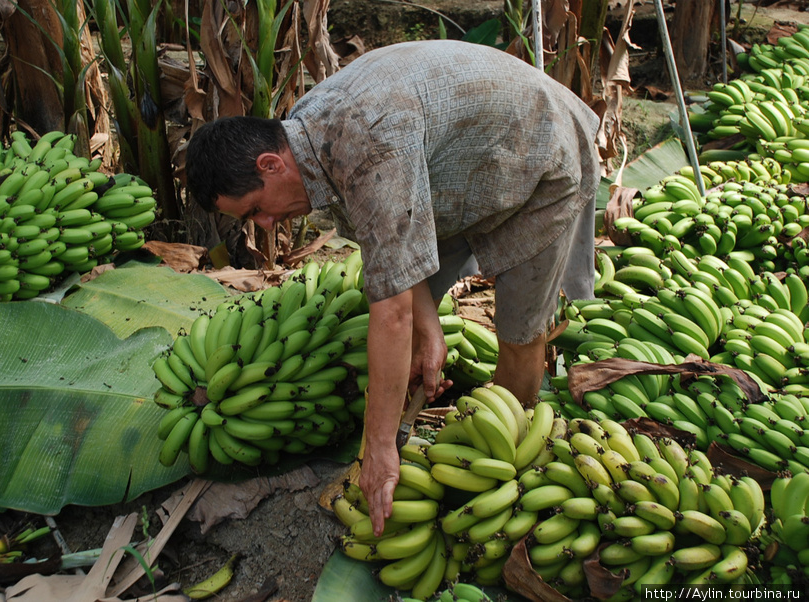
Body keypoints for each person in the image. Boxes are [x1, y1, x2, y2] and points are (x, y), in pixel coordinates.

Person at [186, 39, 602, 537]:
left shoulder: (365, 144)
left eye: (256, 209)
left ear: (270, 165)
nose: (268, 224)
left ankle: (506, 458)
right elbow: (387, 252)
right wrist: (430, 330)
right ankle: (401, 441)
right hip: (457, 172)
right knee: (404, 329)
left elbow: (392, 313)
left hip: (539, 155)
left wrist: (378, 448)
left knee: (520, 330)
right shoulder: (306, 135)